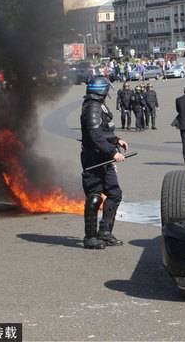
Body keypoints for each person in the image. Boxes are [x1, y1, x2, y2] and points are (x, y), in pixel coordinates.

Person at [80, 76, 129, 249]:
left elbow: (104, 131)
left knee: (114, 193)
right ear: (102, 89)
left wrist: (117, 140)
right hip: (94, 157)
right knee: (94, 196)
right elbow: (95, 135)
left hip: (104, 157)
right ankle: (90, 238)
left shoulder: (98, 106)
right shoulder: (92, 107)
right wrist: (113, 152)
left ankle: (105, 232)